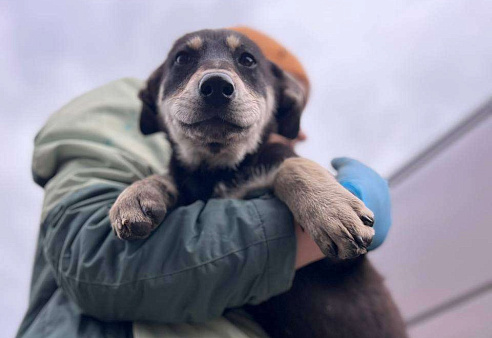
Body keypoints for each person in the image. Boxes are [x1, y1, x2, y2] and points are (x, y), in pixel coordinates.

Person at [16, 29, 392, 338]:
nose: (218, 78)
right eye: (185, 60)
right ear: (153, 104)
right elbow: (97, 257)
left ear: (280, 106)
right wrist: (159, 188)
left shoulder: (279, 162)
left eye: (246, 64)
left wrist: (307, 179)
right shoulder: (110, 119)